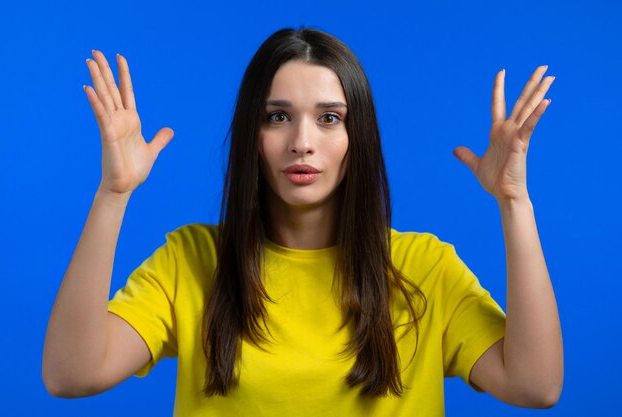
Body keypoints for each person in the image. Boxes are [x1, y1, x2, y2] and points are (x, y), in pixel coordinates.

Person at [42, 28, 563, 416]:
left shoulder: (423, 268)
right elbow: (71, 375)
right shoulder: (194, 260)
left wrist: (514, 201)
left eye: (329, 117)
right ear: (253, 135)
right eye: (277, 116)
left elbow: (536, 386)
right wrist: (113, 195)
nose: (302, 142)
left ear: (357, 137)